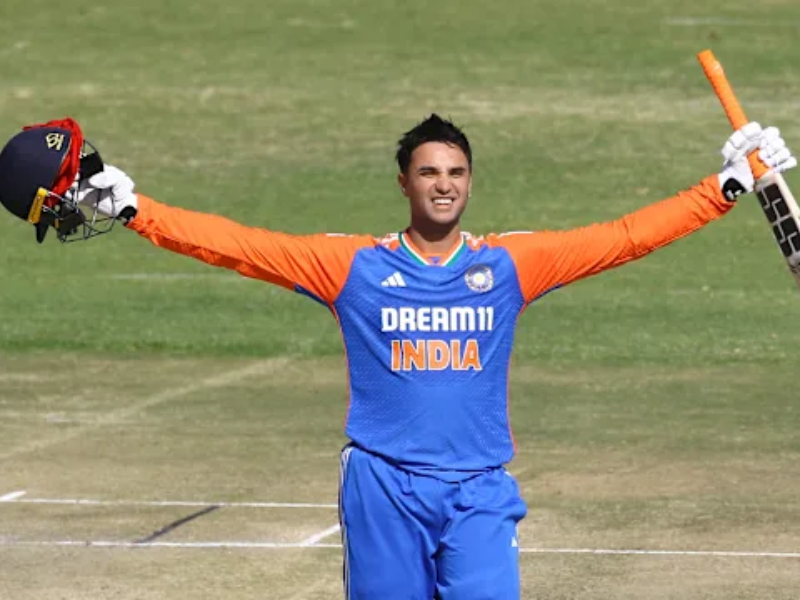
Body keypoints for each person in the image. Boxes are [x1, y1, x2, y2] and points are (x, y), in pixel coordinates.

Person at [0, 114, 796, 599]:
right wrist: (136, 209)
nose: (443, 186)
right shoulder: (351, 267)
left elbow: (622, 238)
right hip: (381, 485)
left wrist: (725, 185)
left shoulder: (511, 265)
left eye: (456, 173)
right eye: (429, 173)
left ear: (470, 182)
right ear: (404, 183)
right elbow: (237, 244)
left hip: (479, 489)